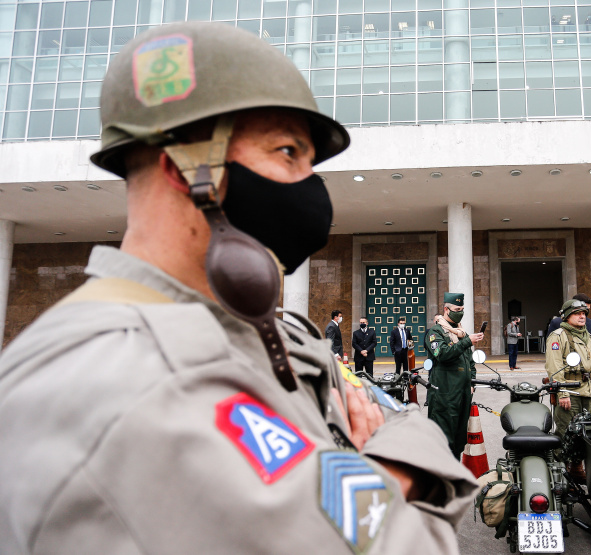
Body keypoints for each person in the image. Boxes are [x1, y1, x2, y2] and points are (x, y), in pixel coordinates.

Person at [0, 22, 476, 554]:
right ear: (183, 170)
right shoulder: (133, 384)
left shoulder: (269, 330)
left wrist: (375, 461)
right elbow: (410, 544)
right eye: (287, 152)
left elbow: (392, 410)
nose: (311, 185)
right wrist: (395, 469)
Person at [425, 293, 484, 459]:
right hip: (445, 396)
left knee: (458, 440)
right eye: (457, 309)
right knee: (444, 441)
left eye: (462, 309)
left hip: (462, 394)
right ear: (446, 309)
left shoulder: (461, 333)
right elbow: (442, 354)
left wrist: (472, 382)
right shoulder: (436, 332)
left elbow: (469, 362)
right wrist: (467, 341)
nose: (460, 312)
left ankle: (455, 475)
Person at [545, 299, 591, 443]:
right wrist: (563, 393)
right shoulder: (558, 336)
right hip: (570, 393)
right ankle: (563, 465)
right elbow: (554, 367)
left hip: (589, 392)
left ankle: (578, 465)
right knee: (566, 433)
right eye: (577, 313)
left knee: (587, 433)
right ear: (566, 316)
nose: (582, 316)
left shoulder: (588, 337)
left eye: (584, 313)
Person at [547, 293, 591, 359]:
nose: (584, 315)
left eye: (585, 311)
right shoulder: (557, 323)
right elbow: (551, 350)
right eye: (579, 312)